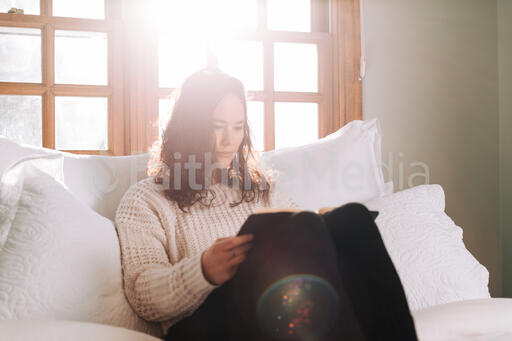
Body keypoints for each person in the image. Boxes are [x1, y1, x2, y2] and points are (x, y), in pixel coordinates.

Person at [114, 68, 418, 340]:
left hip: (274, 310)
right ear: (189, 127)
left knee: (351, 220)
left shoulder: (263, 192)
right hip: (201, 326)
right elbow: (143, 296)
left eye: (237, 127)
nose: (228, 141)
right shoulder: (147, 199)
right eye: (217, 126)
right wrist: (203, 270)